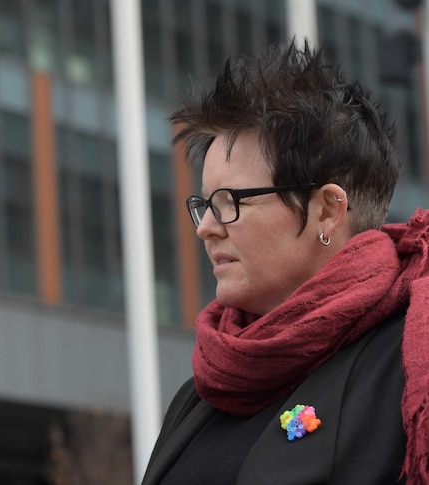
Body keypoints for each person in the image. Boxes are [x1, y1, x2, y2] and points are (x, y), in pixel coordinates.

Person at [142, 40, 429, 484]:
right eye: (204, 204)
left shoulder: (409, 367)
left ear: (328, 211)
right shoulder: (201, 394)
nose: (206, 227)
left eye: (230, 202)